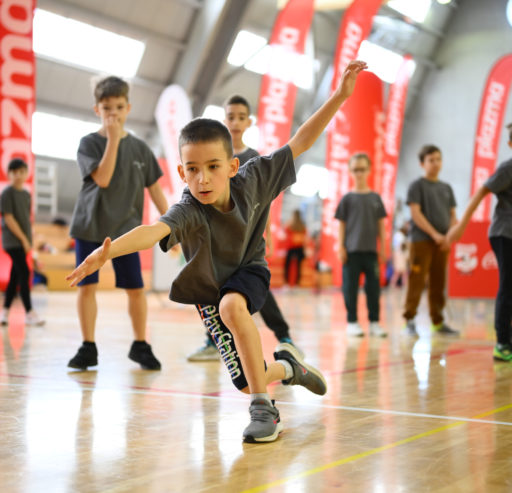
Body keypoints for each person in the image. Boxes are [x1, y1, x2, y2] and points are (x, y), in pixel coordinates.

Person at [67, 60, 367, 443]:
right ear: (181, 173)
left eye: (212, 166)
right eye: (192, 169)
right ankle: (288, 368)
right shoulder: (188, 208)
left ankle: (264, 410)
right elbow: (152, 230)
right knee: (247, 377)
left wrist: (340, 95)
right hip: (210, 288)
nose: (203, 178)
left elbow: (302, 140)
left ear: (232, 166)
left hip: (249, 270)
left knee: (233, 307)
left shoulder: (255, 178)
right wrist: (105, 253)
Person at [187, 94, 301, 362]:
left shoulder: (252, 157)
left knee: (256, 288)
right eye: (231, 117)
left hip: (246, 237)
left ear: (249, 122)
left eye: (241, 117)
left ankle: (285, 337)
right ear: (223, 120)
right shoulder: (212, 155)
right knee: (213, 288)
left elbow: (265, 199)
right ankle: (214, 341)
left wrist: (268, 232)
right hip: (215, 238)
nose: (235, 122)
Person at [67, 76, 168, 371]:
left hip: (125, 231)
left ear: (129, 108)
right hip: (90, 226)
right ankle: (88, 347)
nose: (114, 113)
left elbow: (156, 190)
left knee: (136, 289)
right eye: (107, 107)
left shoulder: (140, 149)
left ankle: (140, 345)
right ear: (96, 109)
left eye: (119, 107)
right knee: (87, 287)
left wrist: (173, 226)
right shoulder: (89, 143)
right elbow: (103, 178)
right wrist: (112, 140)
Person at [446, 123, 512, 361]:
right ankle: (503, 343)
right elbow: (480, 193)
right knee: (508, 285)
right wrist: (461, 225)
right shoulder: (507, 168)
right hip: (505, 233)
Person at [403, 144, 458, 336]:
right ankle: (409, 319)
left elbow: (453, 215)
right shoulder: (417, 186)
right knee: (417, 280)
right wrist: (434, 234)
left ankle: (438, 321)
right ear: (422, 163)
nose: (435, 164)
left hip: (442, 243)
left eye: (438, 159)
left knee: (438, 281)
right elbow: (415, 213)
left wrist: (449, 235)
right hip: (421, 241)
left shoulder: (446, 188)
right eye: (431, 160)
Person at [334, 153, 387, 337]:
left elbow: (381, 225)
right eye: (355, 170)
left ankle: (374, 322)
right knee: (350, 288)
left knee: (373, 288)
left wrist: (383, 247)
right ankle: (352, 322)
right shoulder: (347, 199)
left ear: (369, 170)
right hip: (351, 252)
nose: (359, 173)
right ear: (350, 172)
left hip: (371, 252)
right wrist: (340, 247)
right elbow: (341, 225)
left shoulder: (375, 198)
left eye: (362, 169)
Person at [0, 158, 45, 326]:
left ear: (26, 173)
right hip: (12, 242)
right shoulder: (6, 194)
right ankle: (29, 312)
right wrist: (24, 240)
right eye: (14, 172)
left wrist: (30, 240)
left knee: (14, 276)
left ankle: (4, 312)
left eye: (21, 171)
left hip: (25, 241)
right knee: (25, 273)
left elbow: (26, 219)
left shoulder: (26, 195)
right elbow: (9, 219)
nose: (18, 175)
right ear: (9, 173)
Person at [284, 209, 307, 286]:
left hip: (291, 248)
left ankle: (287, 282)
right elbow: (304, 237)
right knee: (298, 266)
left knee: (287, 265)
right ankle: (297, 282)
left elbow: (287, 235)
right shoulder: (302, 226)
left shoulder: (290, 225)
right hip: (299, 248)